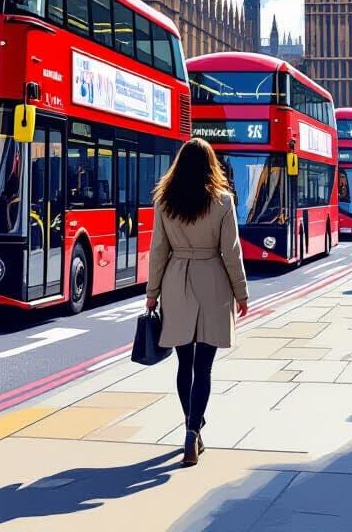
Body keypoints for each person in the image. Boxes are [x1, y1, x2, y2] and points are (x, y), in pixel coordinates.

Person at [145, 138, 249, 467]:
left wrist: (152, 293)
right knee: (204, 366)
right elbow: (231, 252)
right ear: (211, 165)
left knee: (184, 365)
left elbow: (158, 249)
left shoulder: (164, 201)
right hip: (213, 282)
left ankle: (192, 429)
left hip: (176, 282)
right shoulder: (222, 200)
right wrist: (241, 292)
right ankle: (193, 431)